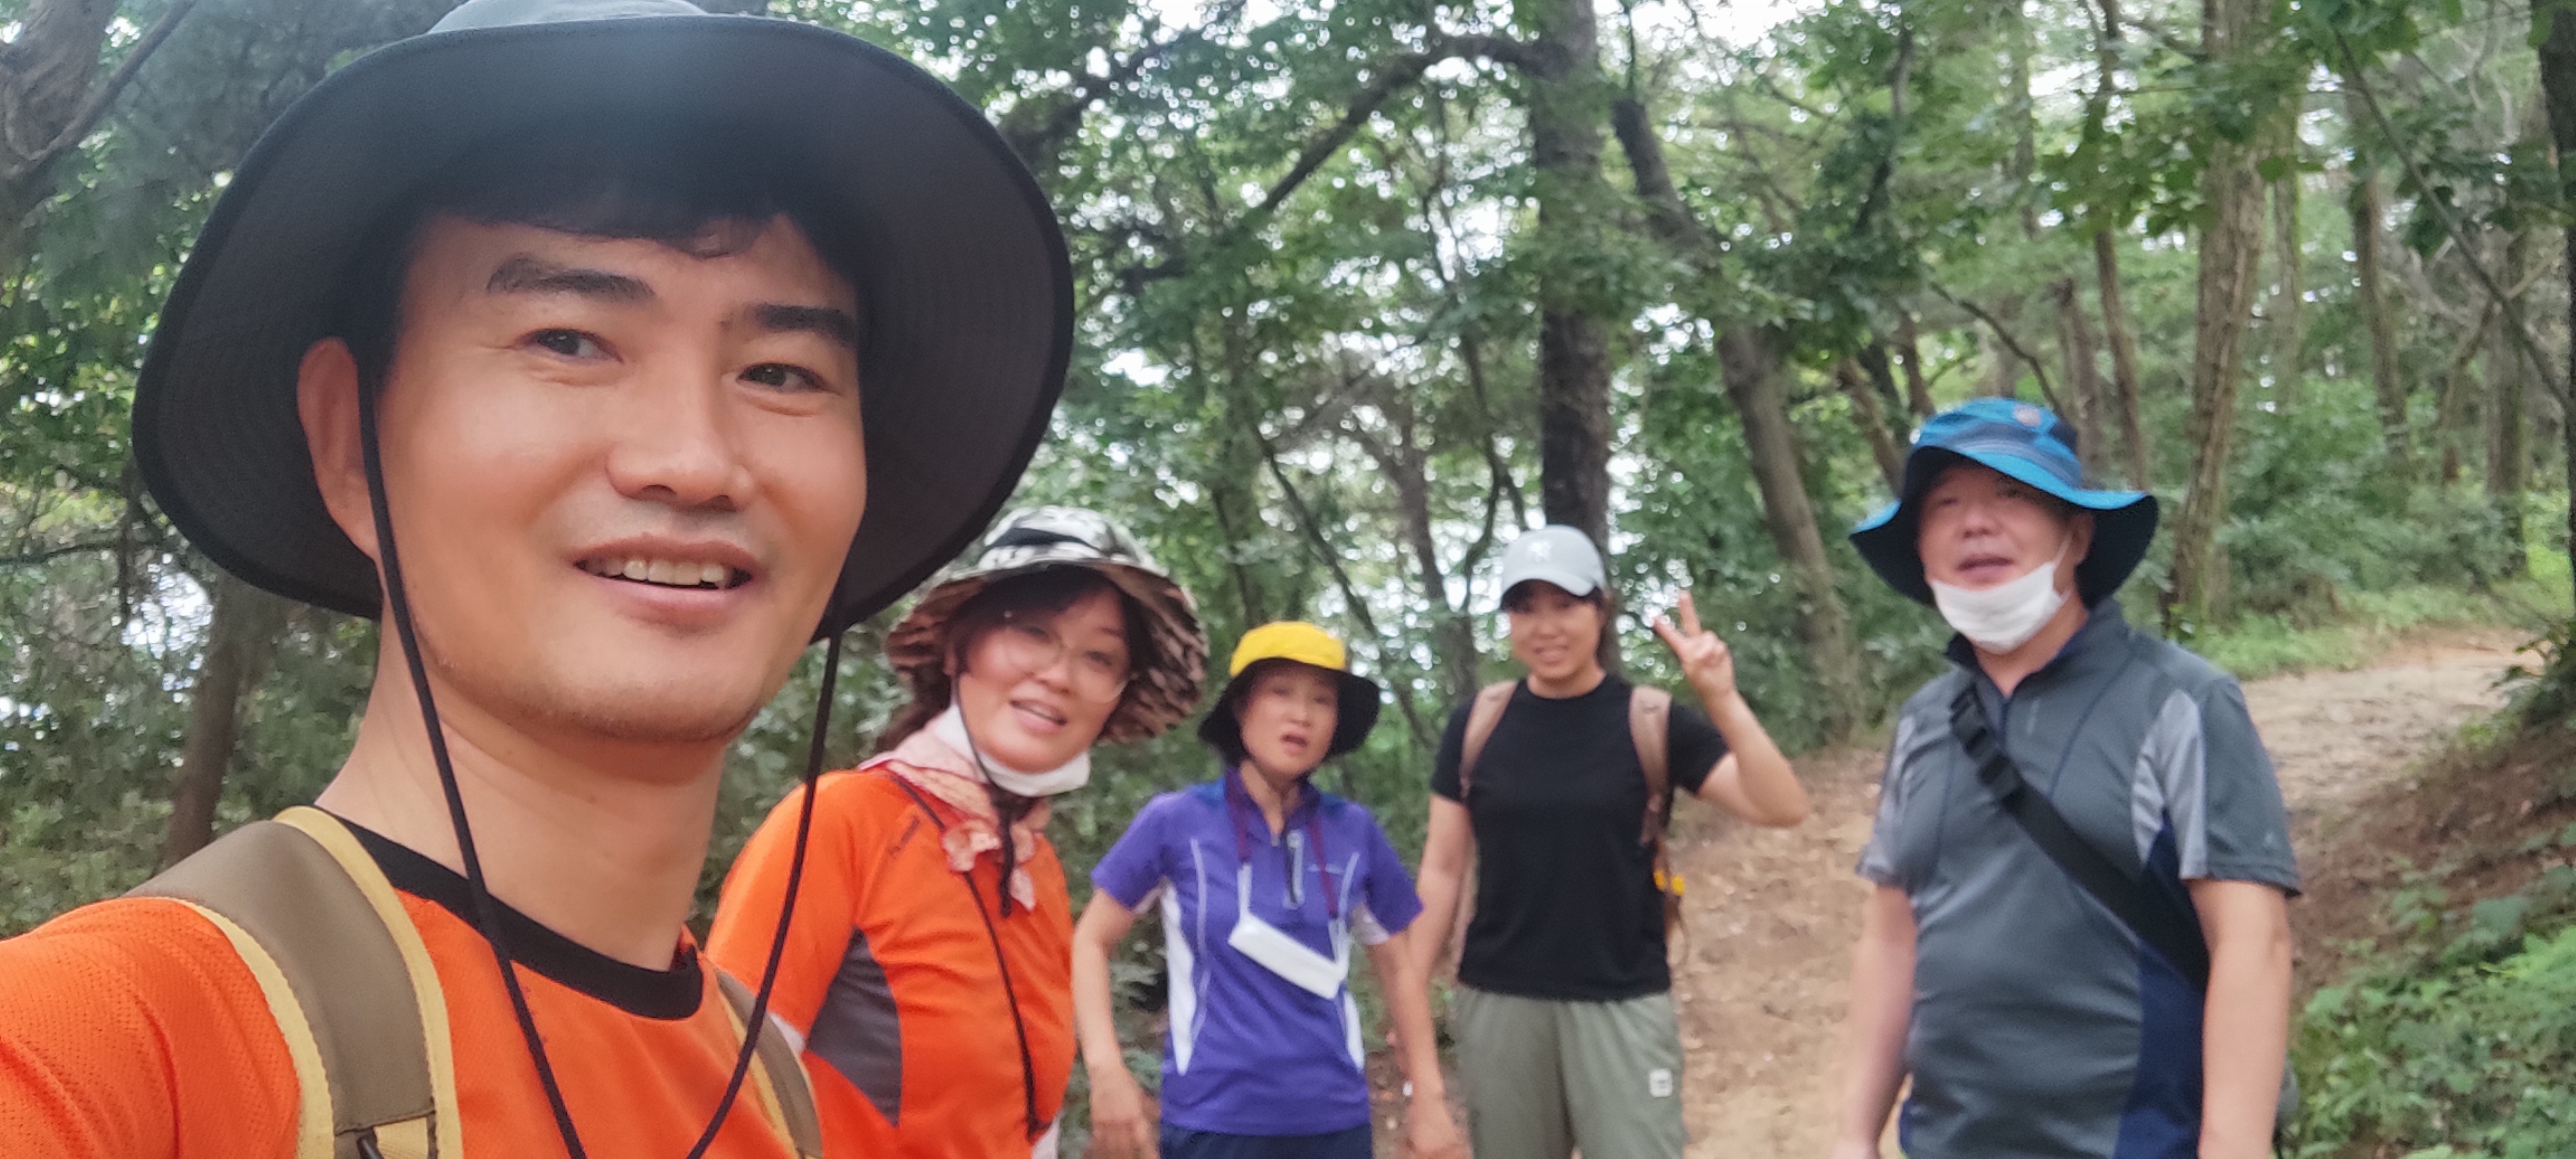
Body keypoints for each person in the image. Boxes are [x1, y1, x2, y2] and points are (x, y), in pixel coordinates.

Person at [0, 0, 1074, 1154]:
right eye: (568, 340)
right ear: (352, 441)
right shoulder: (111, 1051)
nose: (694, 460)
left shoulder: (774, 1092)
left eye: (781, 371)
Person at [1826, 399, 2298, 1159]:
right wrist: (1854, 1134)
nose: (1975, 523)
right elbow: (1892, 936)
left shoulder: (2180, 701)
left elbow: (2253, 941)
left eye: (2011, 493)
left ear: (2077, 535)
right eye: (1945, 504)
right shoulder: (1923, 722)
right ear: (1920, 547)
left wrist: (2232, 1145)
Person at [708, 506, 1208, 1158]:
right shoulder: (840, 821)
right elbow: (723, 1094)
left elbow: (1029, 1120)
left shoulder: (1033, 868)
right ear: (957, 647)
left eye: (1100, 656)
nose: (1059, 674)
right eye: (1033, 631)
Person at [1412, 524, 1812, 1159]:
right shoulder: (1478, 724)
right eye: (1526, 607)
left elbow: (1782, 805)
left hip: (1622, 998)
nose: (1546, 627)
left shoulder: (1651, 720)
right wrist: (1410, 997)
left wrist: (1721, 697)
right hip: (1501, 1000)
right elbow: (1442, 868)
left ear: (1601, 610)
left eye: (1565, 605)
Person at [1072, 621, 1468, 1159]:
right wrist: (1106, 1071)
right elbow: (1091, 941)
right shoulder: (1176, 822)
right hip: (1212, 1120)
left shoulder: (1354, 832)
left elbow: (1399, 970)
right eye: (1280, 692)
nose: (1301, 715)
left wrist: (1429, 1097)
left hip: (1333, 1122)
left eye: (1321, 700)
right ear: (1241, 707)